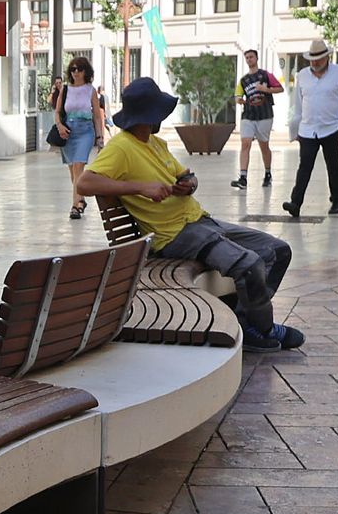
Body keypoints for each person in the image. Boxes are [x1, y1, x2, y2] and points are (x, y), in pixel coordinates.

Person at [78, 77, 302, 355]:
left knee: (278, 251)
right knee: (249, 265)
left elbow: (186, 175)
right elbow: (84, 183)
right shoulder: (121, 147)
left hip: (199, 221)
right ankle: (263, 329)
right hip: (173, 235)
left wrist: (189, 184)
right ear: (149, 116)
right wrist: (141, 187)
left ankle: (249, 322)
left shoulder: (155, 143)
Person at [283, 38, 338, 218]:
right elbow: (298, 103)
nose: (315, 63)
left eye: (318, 59)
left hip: (331, 127)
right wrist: (295, 127)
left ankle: (336, 201)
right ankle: (295, 203)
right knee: (304, 167)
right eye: (312, 59)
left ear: (327, 57)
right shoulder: (302, 75)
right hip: (308, 129)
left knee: (333, 165)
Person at [54, 56, 105, 221]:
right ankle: (81, 200)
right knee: (73, 171)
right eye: (73, 69)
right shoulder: (65, 90)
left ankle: (75, 206)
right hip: (68, 132)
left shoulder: (91, 90)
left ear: (86, 71)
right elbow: (57, 112)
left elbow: (97, 116)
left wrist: (100, 137)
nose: (76, 72)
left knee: (78, 167)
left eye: (79, 69)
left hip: (85, 131)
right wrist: (60, 126)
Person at [231, 49, 283, 190]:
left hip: (265, 115)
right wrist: (239, 100)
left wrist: (266, 90)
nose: (249, 59)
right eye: (247, 57)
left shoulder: (266, 75)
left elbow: (280, 88)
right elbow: (237, 95)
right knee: (245, 143)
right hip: (248, 115)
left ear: (256, 58)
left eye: (251, 57)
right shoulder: (243, 80)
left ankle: (267, 173)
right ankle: (243, 178)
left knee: (263, 146)